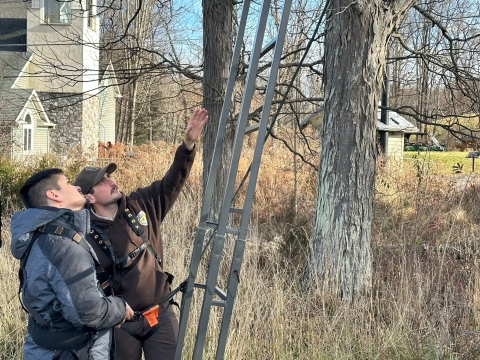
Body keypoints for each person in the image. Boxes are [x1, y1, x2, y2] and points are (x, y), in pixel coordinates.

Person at [74, 107, 208, 360]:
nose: (112, 182)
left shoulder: (141, 204)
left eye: (110, 177)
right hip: (119, 326)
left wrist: (188, 145)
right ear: (89, 196)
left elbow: (173, 180)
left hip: (161, 315)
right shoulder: (81, 232)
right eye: (102, 182)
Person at [10, 168, 134, 360]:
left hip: (44, 350)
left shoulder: (38, 235)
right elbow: (88, 312)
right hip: (72, 353)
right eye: (67, 182)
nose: (76, 186)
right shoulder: (62, 244)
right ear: (53, 195)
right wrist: (119, 307)